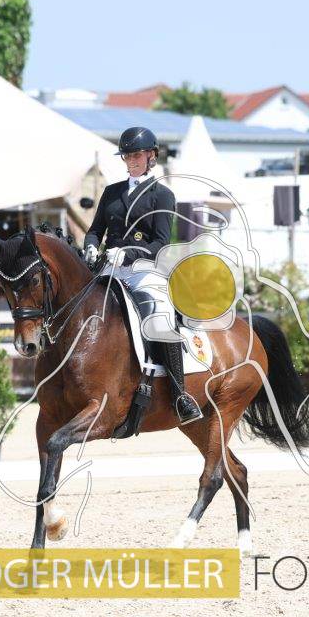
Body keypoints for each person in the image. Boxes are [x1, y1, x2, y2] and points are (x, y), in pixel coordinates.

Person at [82, 125, 201, 425]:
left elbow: (161, 243)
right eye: (127, 156)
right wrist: (91, 246)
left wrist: (129, 254)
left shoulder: (162, 195)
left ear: (151, 156)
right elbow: (95, 231)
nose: (131, 161)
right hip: (109, 268)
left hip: (144, 271)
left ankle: (179, 395)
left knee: (160, 317)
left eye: (136, 155)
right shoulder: (112, 192)